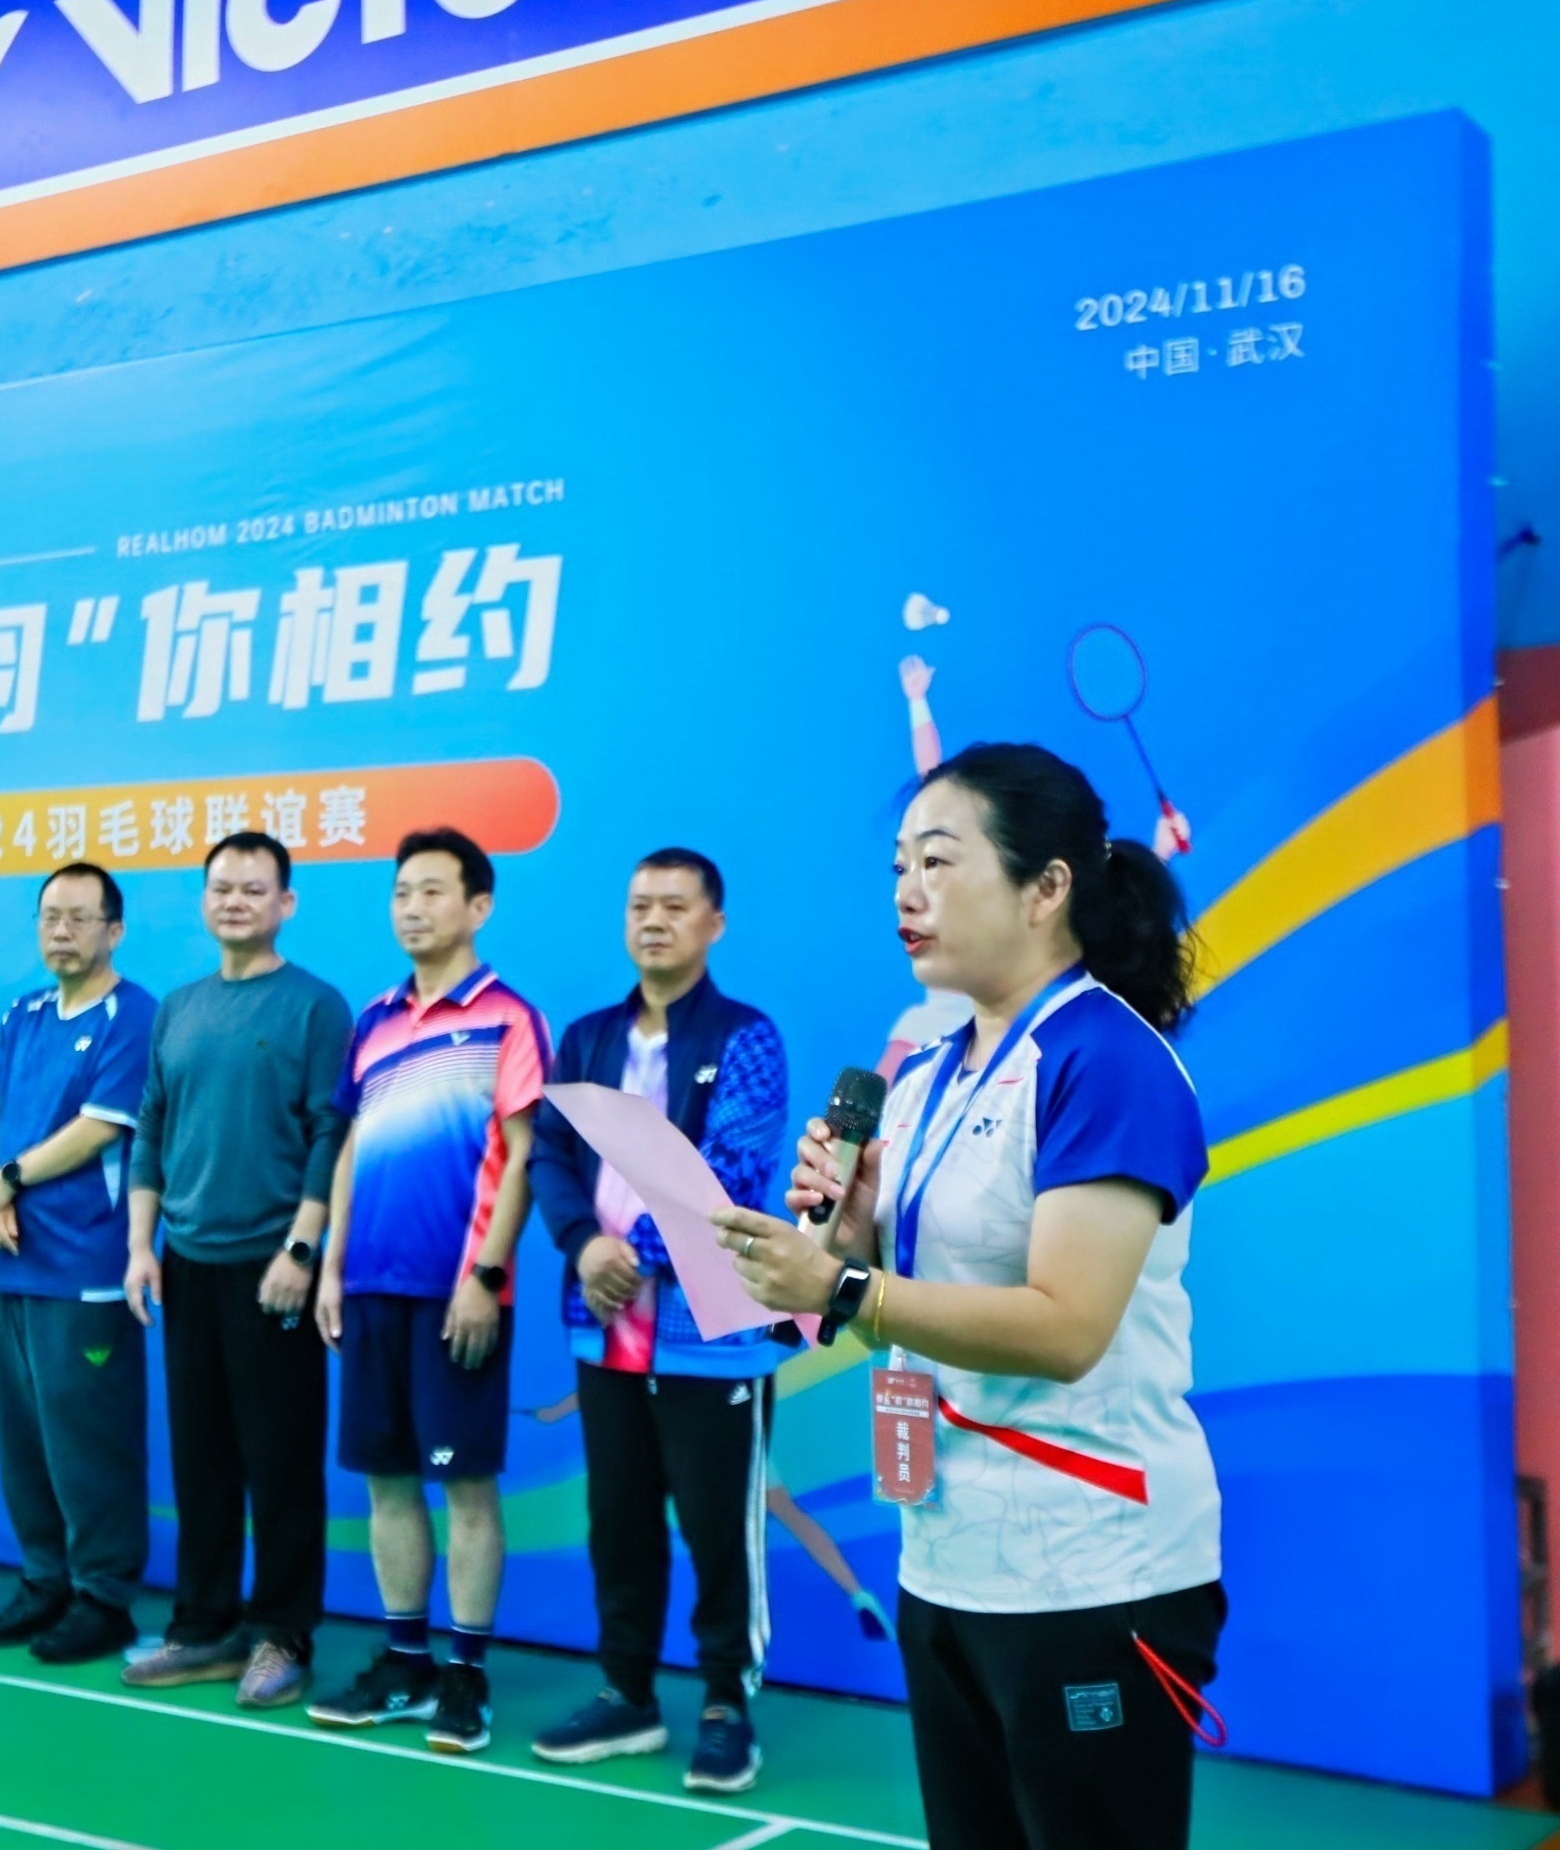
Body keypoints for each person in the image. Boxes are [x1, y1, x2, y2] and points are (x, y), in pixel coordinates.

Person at [715, 742, 1222, 1850]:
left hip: (1091, 1569)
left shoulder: (1105, 1060)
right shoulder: (922, 1078)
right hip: (947, 1558)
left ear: (1047, 888)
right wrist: (845, 1242)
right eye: (898, 866)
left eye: (938, 862)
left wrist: (846, 1282)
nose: (907, 892)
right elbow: (891, 1313)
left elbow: (1065, 1326)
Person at [524, 848, 789, 1795]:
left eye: (676, 906)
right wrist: (581, 1246)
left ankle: (725, 1704)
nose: (654, 920)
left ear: (714, 924)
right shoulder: (588, 1037)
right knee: (619, 1519)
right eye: (640, 904)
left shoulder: (746, 1037)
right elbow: (548, 1152)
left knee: (718, 1528)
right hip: (602, 1327)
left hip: (707, 1334)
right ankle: (628, 1692)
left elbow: (732, 1170)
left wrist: (630, 1253)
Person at [312, 829, 548, 1754]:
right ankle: (406, 1659)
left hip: (459, 1295)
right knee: (387, 1482)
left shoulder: (508, 1018)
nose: (412, 907)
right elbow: (347, 1149)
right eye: (402, 891)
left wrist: (486, 1275)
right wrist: (331, 1265)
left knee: (467, 1487)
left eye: (433, 891)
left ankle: (466, 1672)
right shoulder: (373, 1021)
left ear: (478, 906)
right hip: (371, 1285)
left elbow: (524, 1154)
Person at [117, 833, 351, 1709]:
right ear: (204, 899)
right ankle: (203, 1626)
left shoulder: (316, 1006)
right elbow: (151, 1126)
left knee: (281, 1461)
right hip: (186, 1260)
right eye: (222, 887)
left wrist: (302, 1248)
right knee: (202, 1457)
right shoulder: (179, 1006)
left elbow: (331, 1132)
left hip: (273, 1266)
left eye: (255, 889)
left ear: (286, 903)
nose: (235, 901)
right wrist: (142, 1245)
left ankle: (283, 1634)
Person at [0, 863, 157, 1664]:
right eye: (50, 916)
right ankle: (43, 1581)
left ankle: (102, 1596)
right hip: (13, 1258)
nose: (62, 931)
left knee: (89, 1440)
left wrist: (6, 1180)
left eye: (80, 917)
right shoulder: (24, 1011)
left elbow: (100, 1127)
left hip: (88, 1264)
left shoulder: (133, 1014)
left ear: (115, 929)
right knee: (25, 1440)